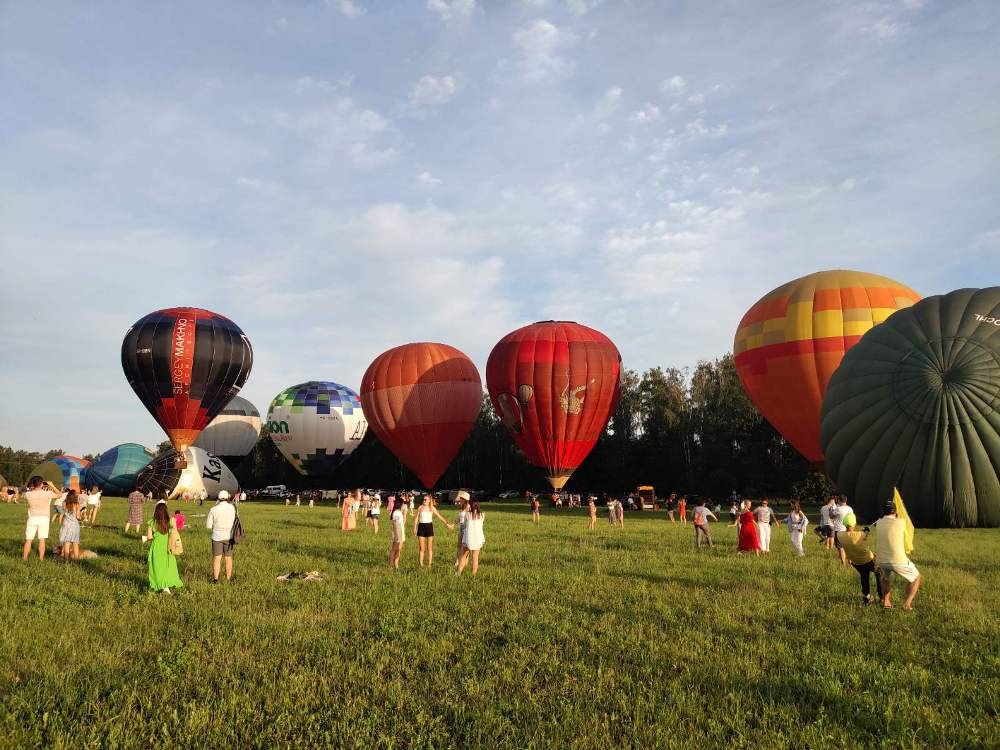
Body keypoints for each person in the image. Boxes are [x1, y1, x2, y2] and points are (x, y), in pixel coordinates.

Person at [874, 499, 921, 610]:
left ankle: (886, 603)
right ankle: (907, 604)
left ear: (883, 512)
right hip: (898, 560)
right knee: (916, 578)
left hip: (881, 560)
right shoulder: (901, 522)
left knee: (885, 579)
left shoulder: (878, 523)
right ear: (895, 511)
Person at [837, 513, 883, 605]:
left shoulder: (839, 535)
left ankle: (866, 597)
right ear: (855, 523)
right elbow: (864, 537)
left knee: (864, 577)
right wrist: (866, 530)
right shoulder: (859, 534)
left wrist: (863, 532)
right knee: (880, 573)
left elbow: (854, 536)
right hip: (869, 560)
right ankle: (881, 595)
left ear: (844, 524)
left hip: (856, 563)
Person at [146, 501, 183, 593]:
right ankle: (166, 585)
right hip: (168, 546)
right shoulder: (171, 521)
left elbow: (149, 537)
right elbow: (174, 532)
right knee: (168, 566)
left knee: (156, 567)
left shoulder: (152, 522)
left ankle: (159, 585)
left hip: (156, 547)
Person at [413, 494, 455, 568]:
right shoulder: (420, 507)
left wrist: (447, 524)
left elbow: (440, 516)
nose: (424, 501)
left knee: (429, 548)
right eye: (423, 499)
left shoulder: (432, 508)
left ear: (429, 501)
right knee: (422, 548)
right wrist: (414, 528)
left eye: (426, 499)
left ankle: (429, 564)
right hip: (421, 528)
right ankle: (421, 564)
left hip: (429, 527)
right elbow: (416, 518)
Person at [22, 476, 58, 560]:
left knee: (28, 540)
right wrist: (52, 485)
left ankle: (24, 558)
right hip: (44, 518)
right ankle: (41, 558)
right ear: (41, 484)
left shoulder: (28, 494)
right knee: (42, 540)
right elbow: (59, 495)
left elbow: (30, 490)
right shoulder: (47, 493)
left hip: (32, 518)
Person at [205, 490, 237, 583]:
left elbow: (208, 526)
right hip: (229, 536)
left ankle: (215, 579)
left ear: (218, 498)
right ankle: (228, 578)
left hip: (216, 537)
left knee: (217, 558)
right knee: (228, 558)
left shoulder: (213, 509)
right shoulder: (232, 508)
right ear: (227, 498)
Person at [457, 500, 485, 576]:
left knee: (463, 556)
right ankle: (473, 575)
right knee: (475, 557)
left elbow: (465, 525)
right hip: (478, 538)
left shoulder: (467, 515)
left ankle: (458, 573)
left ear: (471, 506)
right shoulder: (482, 515)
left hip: (469, 538)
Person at [58, 491, 82, 560]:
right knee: (75, 543)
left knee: (66, 542)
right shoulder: (77, 504)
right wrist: (81, 517)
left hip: (66, 525)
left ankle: (66, 559)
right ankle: (76, 559)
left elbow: (64, 511)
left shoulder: (64, 503)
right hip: (74, 525)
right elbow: (78, 517)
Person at [832, 495, 855, 565]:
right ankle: (850, 562)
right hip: (848, 529)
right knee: (848, 547)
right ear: (846, 500)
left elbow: (831, 516)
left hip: (839, 530)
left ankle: (843, 563)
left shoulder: (838, 509)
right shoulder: (850, 508)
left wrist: (830, 510)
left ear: (839, 500)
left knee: (840, 548)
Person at [389, 501, 406, 570]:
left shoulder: (398, 512)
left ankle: (396, 564)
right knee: (395, 549)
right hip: (398, 533)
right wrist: (398, 536)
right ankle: (391, 565)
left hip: (400, 532)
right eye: (403, 504)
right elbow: (395, 524)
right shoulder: (396, 513)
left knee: (398, 549)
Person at [454, 496, 469, 569]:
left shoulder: (469, 507)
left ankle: (465, 562)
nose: (460, 501)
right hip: (461, 528)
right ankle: (457, 561)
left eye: (461, 500)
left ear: (465, 500)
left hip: (467, 529)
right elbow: (458, 518)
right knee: (459, 546)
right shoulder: (462, 507)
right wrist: (453, 524)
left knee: (466, 547)